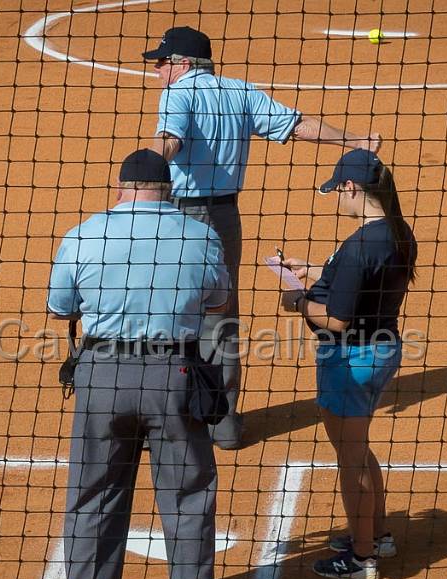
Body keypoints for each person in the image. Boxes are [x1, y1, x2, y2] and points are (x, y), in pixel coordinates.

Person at [143, 26, 382, 449]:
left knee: (163, 308)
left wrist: (144, 177)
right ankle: (225, 422)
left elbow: (170, 140)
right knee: (220, 312)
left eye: (161, 62)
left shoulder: (177, 93)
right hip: (224, 220)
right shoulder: (241, 92)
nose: (158, 70)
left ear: (182, 64)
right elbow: (298, 124)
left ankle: (169, 421)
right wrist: (353, 139)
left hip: (178, 218)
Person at [47, 149, 229, 579]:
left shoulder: (84, 233)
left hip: (102, 376)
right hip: (176, 373)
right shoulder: (200, 234)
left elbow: (60, 304)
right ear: (166, 189)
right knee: (188, 491)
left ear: (121, 186)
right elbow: (218, 300)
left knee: (93, 491)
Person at [278, 149, 417, 579]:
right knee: (357, 444)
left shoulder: (360, 244)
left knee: (350, 455)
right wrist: (316, 268)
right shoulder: (396, 232)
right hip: (382, 349)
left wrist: (298, 301)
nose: (336, 196)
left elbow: (336, 319)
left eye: (338, 189)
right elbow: (360, 275)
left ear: (352, 187)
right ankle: (377, 534)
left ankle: (361, 556)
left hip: (349, 358)